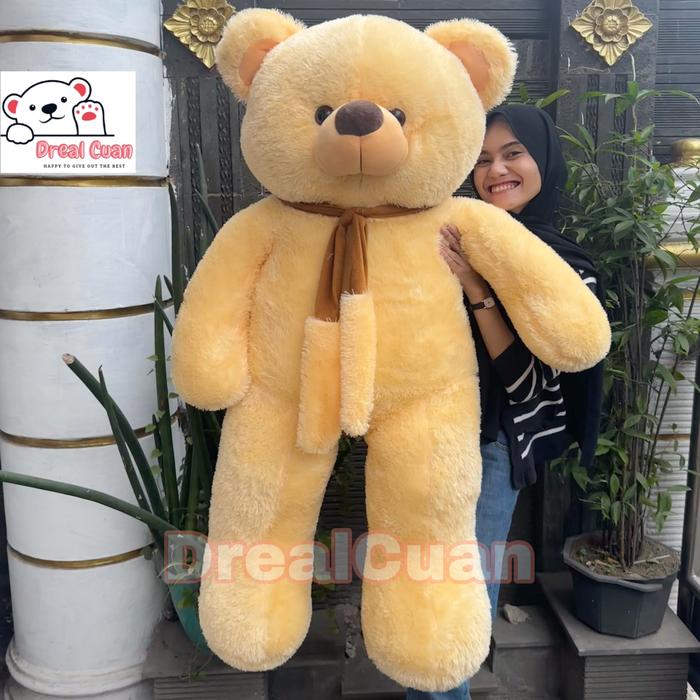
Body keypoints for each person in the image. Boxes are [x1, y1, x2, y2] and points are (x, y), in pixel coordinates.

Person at [405, 104, 605, 700]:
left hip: (490, 445)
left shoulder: (562, 265)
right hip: (424, 438)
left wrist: (476, 286)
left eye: (513, 154)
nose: (497, 171)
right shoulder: (455, 236)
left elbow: (524, 379)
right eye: (483, 159)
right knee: (417, 595)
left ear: (543, 160)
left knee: (458, 601)